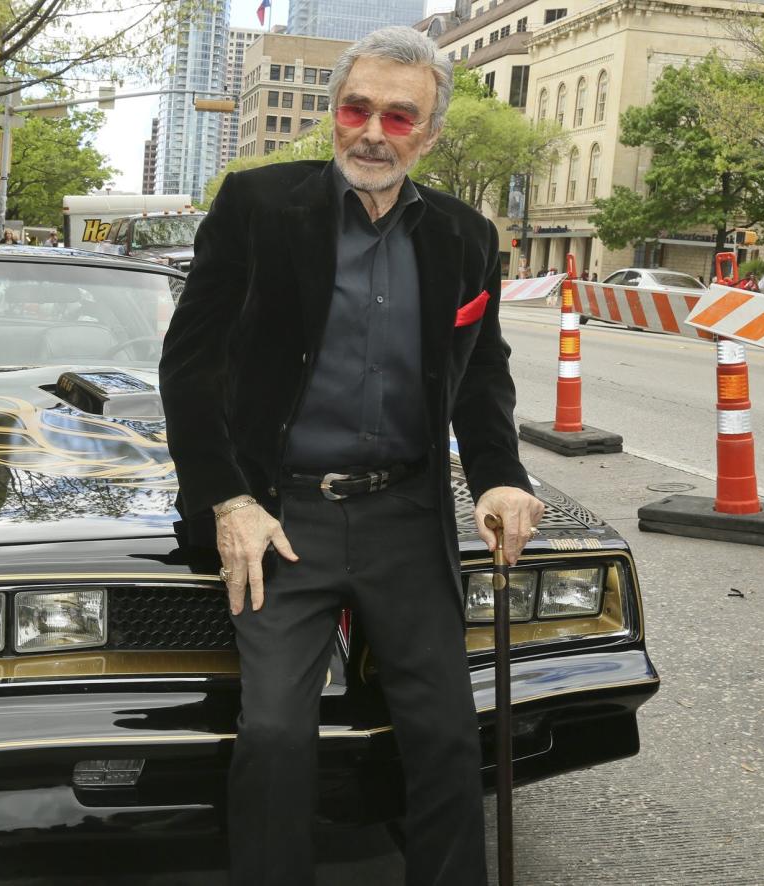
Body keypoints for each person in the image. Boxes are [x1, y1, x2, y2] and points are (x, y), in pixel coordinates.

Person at [159, 26, 544, 886]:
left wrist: (500, 478)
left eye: (399, 116)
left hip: (405, 514)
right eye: (356, 107)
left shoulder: (465, 235)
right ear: (335, 113)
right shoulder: (257, 206)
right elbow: (190, 366)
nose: (373, 130)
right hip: (280, 514)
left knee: (447, 733)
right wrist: (228, 500)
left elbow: (481, 373)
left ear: (430, 133)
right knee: (274, 734)